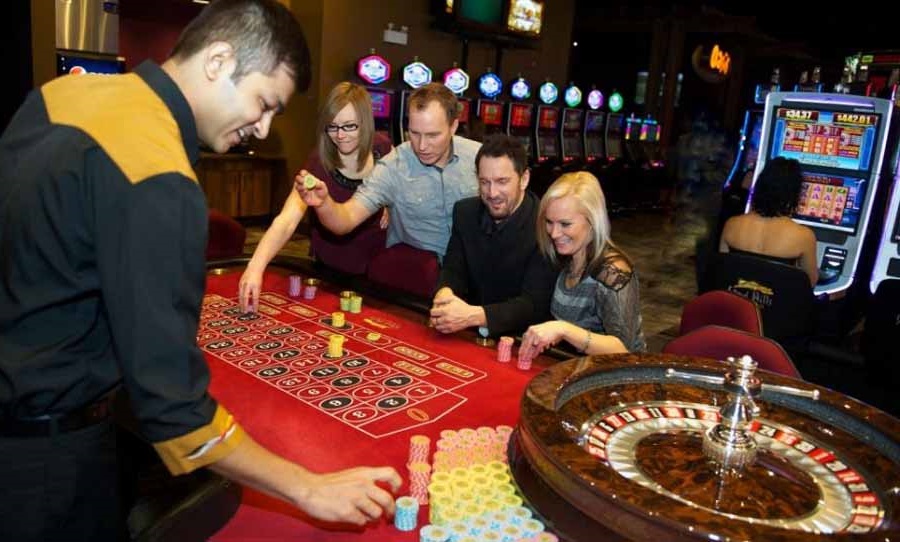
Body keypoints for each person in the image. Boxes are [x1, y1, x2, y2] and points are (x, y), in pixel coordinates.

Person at [0, 2, 399, 541]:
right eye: (264, 103)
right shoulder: (159, 174)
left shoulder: (62, 93)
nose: (262, 128)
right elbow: (175, 410)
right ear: (217, 61)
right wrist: (307, 486)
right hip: (44, 460)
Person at [239, 82, 391, 312]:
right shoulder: (318, 164)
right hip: (330, 267)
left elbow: (403, 184)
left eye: (349, 126)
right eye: (333, 127)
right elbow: (287, 220)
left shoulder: (384, 149)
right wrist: (255, 267)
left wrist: (391, 201)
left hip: (376, 265)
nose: (340, 136)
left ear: (366, 122)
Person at [297, 82, 481, 262]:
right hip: (419, 275)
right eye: (414, 133)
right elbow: (346, 219)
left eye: (433, 135)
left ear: (453, 126)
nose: (422, 146)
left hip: (472, 269)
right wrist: (324, 204)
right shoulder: (394, 165)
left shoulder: (479, 157)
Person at [430, 134, 556, 337]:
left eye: (502, 181)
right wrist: (445, 292)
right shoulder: (465, 212)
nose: (492, 193)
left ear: (524, 179)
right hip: (467, 333)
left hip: (520, 339)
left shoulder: (546, 225)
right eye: (484, 182)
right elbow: (453, 269)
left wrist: (474, 315)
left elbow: (533, 305)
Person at [521, 172, 647, 355]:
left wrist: (563, 329)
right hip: (578, 368)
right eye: (549, 222)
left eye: (565, 224)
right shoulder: (565, 257)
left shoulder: (613, 273)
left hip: (622, 376)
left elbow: (623, 352)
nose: (554, 233)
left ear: (592, 221)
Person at [719, 157, 818, 286]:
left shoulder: (731, 225)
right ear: (794, 193)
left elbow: (722, 272)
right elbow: (809, 284)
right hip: (780, 305)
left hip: (736, 302)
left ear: (760, 186)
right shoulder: (805, 236)